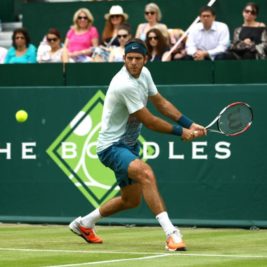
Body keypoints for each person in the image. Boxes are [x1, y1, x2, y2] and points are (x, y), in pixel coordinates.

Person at [69, 38, 207, 251]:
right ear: (123, 59)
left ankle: (84, 224)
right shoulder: (124, 84)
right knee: (146, 173)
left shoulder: (145, 74)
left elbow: (160, 102)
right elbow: (150, 121)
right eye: (129, 58)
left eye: (137, 59)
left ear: (146, 60)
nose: (133, 62)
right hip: (111, 147)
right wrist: (182, 132)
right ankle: (171, 233)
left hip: (129, 146)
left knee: (130, 200)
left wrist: (189, 123)